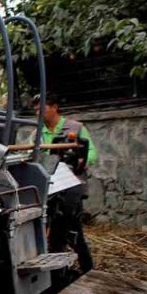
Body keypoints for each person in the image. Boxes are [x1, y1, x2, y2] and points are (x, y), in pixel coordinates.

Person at [33, 95, 98, 271]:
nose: (38, 113)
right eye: (36, 110)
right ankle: (76, 267)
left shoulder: (76, 128)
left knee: (68, 229)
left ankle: (81, 268)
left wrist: (82, 161)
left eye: (42, 109)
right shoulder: (36, 133)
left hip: (71, 187)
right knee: (50, 229)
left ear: (54, 107)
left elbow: (91, 153)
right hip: (49, 188)